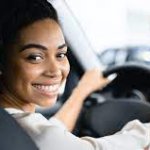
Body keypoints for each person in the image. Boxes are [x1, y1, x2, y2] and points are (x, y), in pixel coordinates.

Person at [0, 0, 149, 149]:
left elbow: (51, 134)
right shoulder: (33, 135)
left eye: (61, 54)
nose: (55, 71)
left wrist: (81, 91)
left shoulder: (14, 128)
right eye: (35, 57)